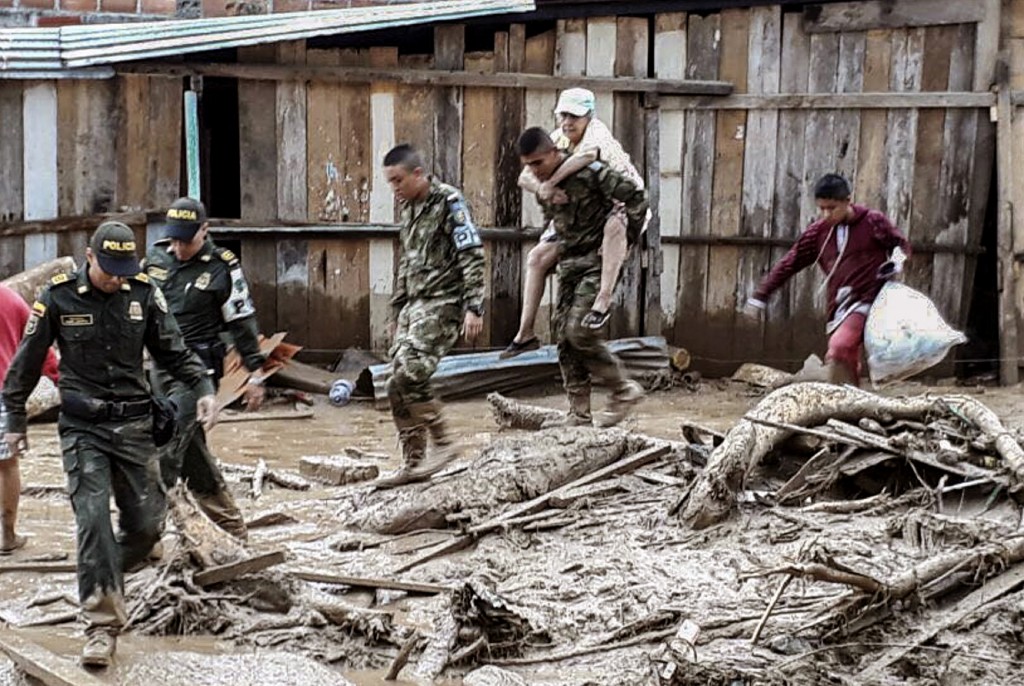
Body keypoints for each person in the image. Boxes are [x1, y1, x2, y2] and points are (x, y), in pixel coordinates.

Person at [2, 222, 218, 667]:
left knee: (146, 528)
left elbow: (172, 350)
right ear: (89, 256)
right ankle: (101, 625)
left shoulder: (142, 294)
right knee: (93, 520)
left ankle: (101, 574)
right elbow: (24, 365)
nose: (116, 278)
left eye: (124, 270)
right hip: (83, 429)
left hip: (136, 425)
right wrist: (15, 420)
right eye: (109, 269)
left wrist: (204, 387)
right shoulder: (57, 297)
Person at [144, 197, 265, 540]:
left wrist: (255, 373)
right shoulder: (154, 258)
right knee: (191, 449)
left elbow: (242, 320)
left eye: (188, 239)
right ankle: (229, 525)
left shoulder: (222, 266)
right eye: (175, 239)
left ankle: (145, 537)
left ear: (205, 230)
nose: (180, 248)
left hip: (197, 373)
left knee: (166, 447)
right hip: (158, 369)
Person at [502, 87, 648, 359]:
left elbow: (587, 157)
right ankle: (525, 333)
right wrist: (541, 188)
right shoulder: (557, 138)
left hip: (620, 204)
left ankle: (602, 300)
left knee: (615, 228)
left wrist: (550, 183)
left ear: (588, 116)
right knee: (536, 257)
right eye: (564, 115)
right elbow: (524, 176)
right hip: (578, 216)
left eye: (575, 116)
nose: (568, 122)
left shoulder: (597, 133)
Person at [516, 127, 647, 426]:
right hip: (570, 265)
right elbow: (557, 223)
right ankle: (578, 413)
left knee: (580, 330)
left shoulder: (592, 173)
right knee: (563, 337)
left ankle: (623, 388)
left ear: (554, 153)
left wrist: (624, 235)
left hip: (597, 263)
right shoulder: (544, 186)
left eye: (538, 163)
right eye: (529, 164)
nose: (534, 170)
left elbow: (637, 197)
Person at [377, 144, 485, 487]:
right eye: (390, 183)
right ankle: (413, 463)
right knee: (394, 382)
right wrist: (396, 309)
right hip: (414, 305)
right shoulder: (409, 209)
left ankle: (443, 441)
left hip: (444, 301)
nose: (394, 189)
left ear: (418, 174)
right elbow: (407, 262)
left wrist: (474, 306)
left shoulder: (449, 202)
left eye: (398, 181)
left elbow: (471, 253)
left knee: (410, 371)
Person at [746, 174, 912, 386]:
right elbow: (790, 263)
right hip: (839, 305)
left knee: (839, 348)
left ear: (847, 201)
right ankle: (851, 401)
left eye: (832, 208)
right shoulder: (818, 233)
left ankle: (845, 399)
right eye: (821, 208)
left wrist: (896, 262)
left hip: (869, 300)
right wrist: (761, 296)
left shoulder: (872, 222)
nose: (826, 214)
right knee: (845, 356)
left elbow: (899, 243)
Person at [0, 283, 59, 555]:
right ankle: (7, 535)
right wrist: (60, 378)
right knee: (7, 465)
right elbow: (39, 342)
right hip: (4, 393)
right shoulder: (11, 299)